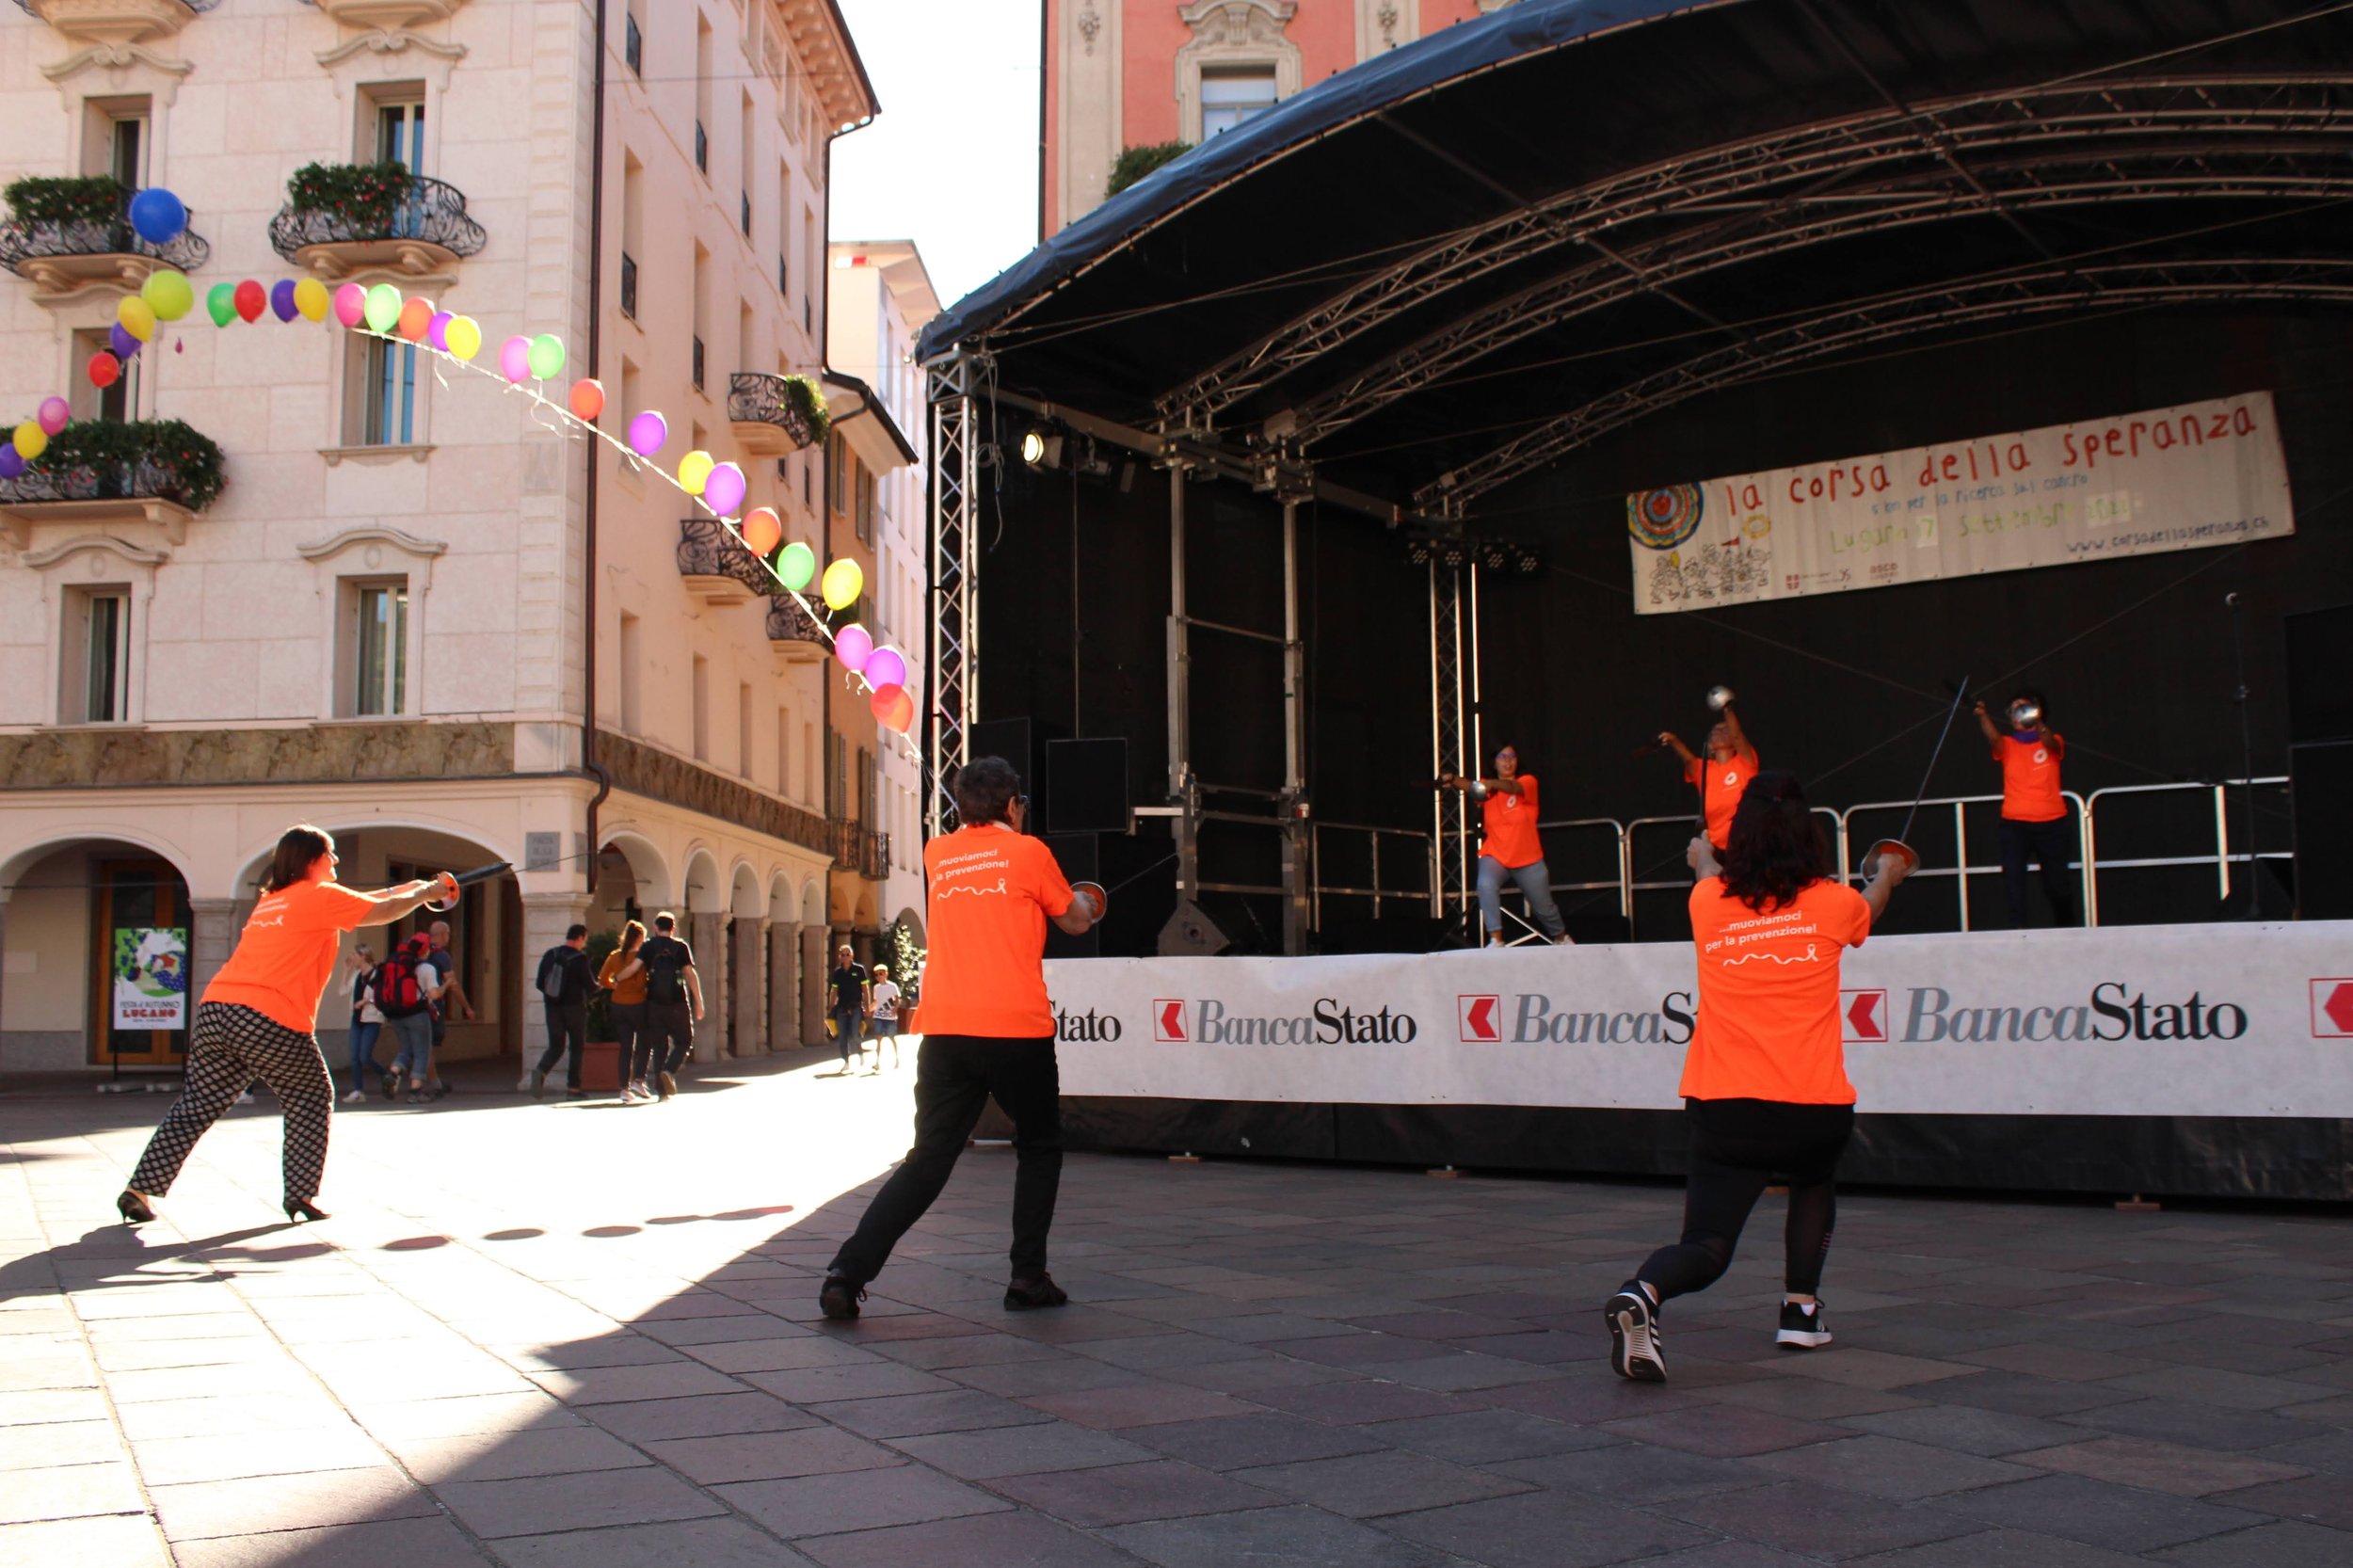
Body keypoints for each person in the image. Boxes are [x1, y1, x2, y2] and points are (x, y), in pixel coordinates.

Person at [1603, 772, 1910, 1382]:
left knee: (1707, 1246)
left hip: (1726, 1106)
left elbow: (1704, 875)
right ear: (1808, 833)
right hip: (1812, 1107)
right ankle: (1800, 1311)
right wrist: (1888, 873)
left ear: (1739, 833)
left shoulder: (1706, 901)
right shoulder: (1834, 903)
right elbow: (1869, 906)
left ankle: (1643, 1292)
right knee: (1813, 1180)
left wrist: (1701, 854)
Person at [821, 758, 1096, 1320]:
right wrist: (1091, 901)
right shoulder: (1029, 852)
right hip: (1016, 1028)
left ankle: (847, 1274)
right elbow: (1074, 920)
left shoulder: (936, 853)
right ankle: (1026, 1277)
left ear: (961, 807)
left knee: (927, 1158)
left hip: (946, 1028)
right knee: (1039, 1147)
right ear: (1013, 805)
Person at [118, 826, 452, 1226]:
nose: (336, 860)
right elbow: (378, 913)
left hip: (217, 1010)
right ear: (311, 859)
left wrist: (415, 889)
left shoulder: (273, 900)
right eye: (330, 853)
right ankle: (300, 1194)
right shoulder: (320, 895)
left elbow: (369, 901)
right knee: (310, 1096)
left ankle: (139, 1189)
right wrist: (424, 894)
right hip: (269, 1015)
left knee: (197, 1104)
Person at [1439, 744, 1569, 946]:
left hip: (1528, 857)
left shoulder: (1527, 782)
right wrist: (1453, 779)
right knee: (1485, 885)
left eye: (1512, 756)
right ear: (1494, 762)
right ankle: (1496, 938)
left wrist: (1491, 784)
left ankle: (1561, 938)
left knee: (1544, 907)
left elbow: (1513, 788)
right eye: (1502, 757)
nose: (1508, 761)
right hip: (1496, 854)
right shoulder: (1487, 788)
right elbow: (1471, 786)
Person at [1976, 690, 2077, 928]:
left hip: (2052, 823)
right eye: (2013, 710)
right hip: (2015, 824)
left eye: (2023, 708)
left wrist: (2037, 720)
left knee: (2057, 885)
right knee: (2013, 882)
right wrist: (1982, 715)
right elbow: (1994, 739)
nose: (2017, 713)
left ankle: (2067, 930)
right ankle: (2018, 934)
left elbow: (2050, 743)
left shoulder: (2053, 739)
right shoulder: (2008, 745)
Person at [1659, 700, 1760, 856]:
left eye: (1726, 730)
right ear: (1710, 744)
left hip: (1747, 844)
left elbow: (1737, 736)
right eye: (1716, 731)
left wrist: (1727, 708)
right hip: (1716, 848)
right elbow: (1688, 759)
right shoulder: (1704, 769)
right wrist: (1673, 740)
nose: (1720, 733)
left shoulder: (1745, 762)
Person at [636, 911, 704, 1101]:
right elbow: (689, 974)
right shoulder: (680, 946)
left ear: (655, 928)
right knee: (684, 1040)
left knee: (659, 1047)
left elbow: (636, 968)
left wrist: (617, 979)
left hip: (653, 1003)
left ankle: (662, 1092)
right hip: (677, 1002)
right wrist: (699, 1001)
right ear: (673, 928)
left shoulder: (648, 946)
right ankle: (669, 1071)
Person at [527, 923, 597, 1098]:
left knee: (556, 1046)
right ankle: (573, 1089)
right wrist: (600, 986)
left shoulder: (550, 954)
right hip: (574, 1008)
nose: (584, 944)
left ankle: (541, 1071)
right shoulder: (580, 959)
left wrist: (554, 996)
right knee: (576, 1047)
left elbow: (539, 983)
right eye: (584, 940)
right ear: (579, 938)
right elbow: (590, 986)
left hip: (552, 1008)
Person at [377, 931, 441, 1100]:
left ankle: (393, 1072)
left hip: (397, 1014)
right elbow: (434, 994)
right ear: (425, 950)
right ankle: (415, 1092)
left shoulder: (397, 965)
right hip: (418, 1014)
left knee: (406, 1049)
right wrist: (446, 985)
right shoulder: (427, 968)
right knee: (422, 1052)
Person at [420, 918, 474, 1100]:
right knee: (428, 1047)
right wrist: (467, 1007)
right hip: (432, 1005)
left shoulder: (418, 952)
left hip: (413, 1004)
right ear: (444, 935)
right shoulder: (442, 956)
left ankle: (428, 1082)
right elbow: (453, 985)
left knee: (421, 1045)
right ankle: (429, 1084)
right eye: (448, 934)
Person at [600, 920, 651, 1103]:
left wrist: (615, 986)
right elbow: (645, 981)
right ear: (639, 938)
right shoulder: (641, 958)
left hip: (618, 1005)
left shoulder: (614, 956)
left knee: (625, 1048)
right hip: (638, 1003)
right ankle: (638, 1079)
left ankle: (623, 1088)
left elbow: (602, 979)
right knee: (645, 1043)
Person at [340, 944, 387, 1103]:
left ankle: (387, 1076)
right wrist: (346, 971)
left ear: (363, 956)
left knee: (364, 1057)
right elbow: (342, 991)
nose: (352, 958)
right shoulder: (356, 975)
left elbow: (382, 995)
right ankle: (358, 1091)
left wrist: (366, 1001)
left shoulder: (377, 974)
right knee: (354, 1057)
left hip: (372, 1019)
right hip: (356, 1019)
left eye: (355, 954)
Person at [829, 943, 870, 1070]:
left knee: (855, 1033)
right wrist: (831, 1005)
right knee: (842, 1036)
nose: (845, 956)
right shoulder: (838, 972)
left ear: (852, 956)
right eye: (843, 954)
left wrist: (867, 1007)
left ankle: (860, 1052)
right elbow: (834, 990)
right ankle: (846, 1061)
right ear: (839, 957)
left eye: (848, 954)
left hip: (856, 1006)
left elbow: (865, 989)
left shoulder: (859, 970)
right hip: (842, 1007)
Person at [868, 963, 903, 1071]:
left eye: (881, 974)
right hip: (879, 1016)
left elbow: (898, 1000)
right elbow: (876, 1001)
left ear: (886, 974)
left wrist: (895, 1009)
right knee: (878, 1038)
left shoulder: (892, 986)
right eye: (876, 974)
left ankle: (897, 1059)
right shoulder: (876, 987)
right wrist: (869, 1009)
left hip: (890, 1017)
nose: (878, 976)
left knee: (892, 1038)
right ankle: (877, 1062)